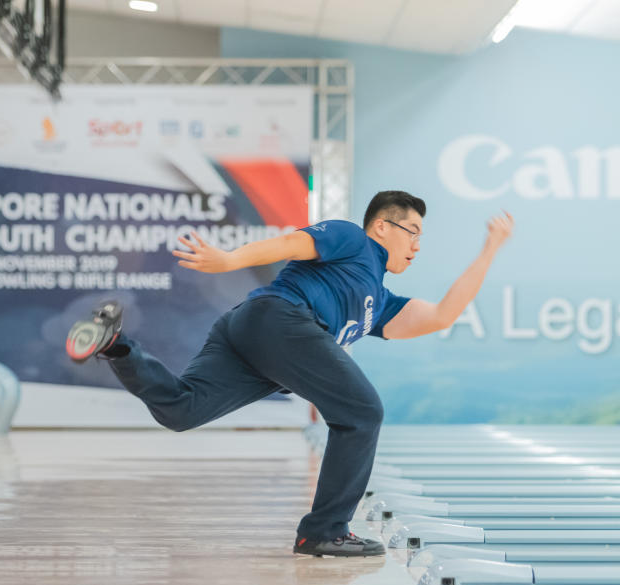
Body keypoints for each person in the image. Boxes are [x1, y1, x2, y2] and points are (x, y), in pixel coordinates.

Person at [65, 190, 514, 557]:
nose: (417, 246)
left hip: (255, 339)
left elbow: (440, 315)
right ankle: (324, 530)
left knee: (182, 410)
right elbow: (289, 245)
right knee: (362, 412)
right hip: (278, 318)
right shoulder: (352, 239)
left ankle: (116, 344)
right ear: (382, 227)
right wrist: (228, 261)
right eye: (413, 233)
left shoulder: (379, 301)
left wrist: (490, 250)